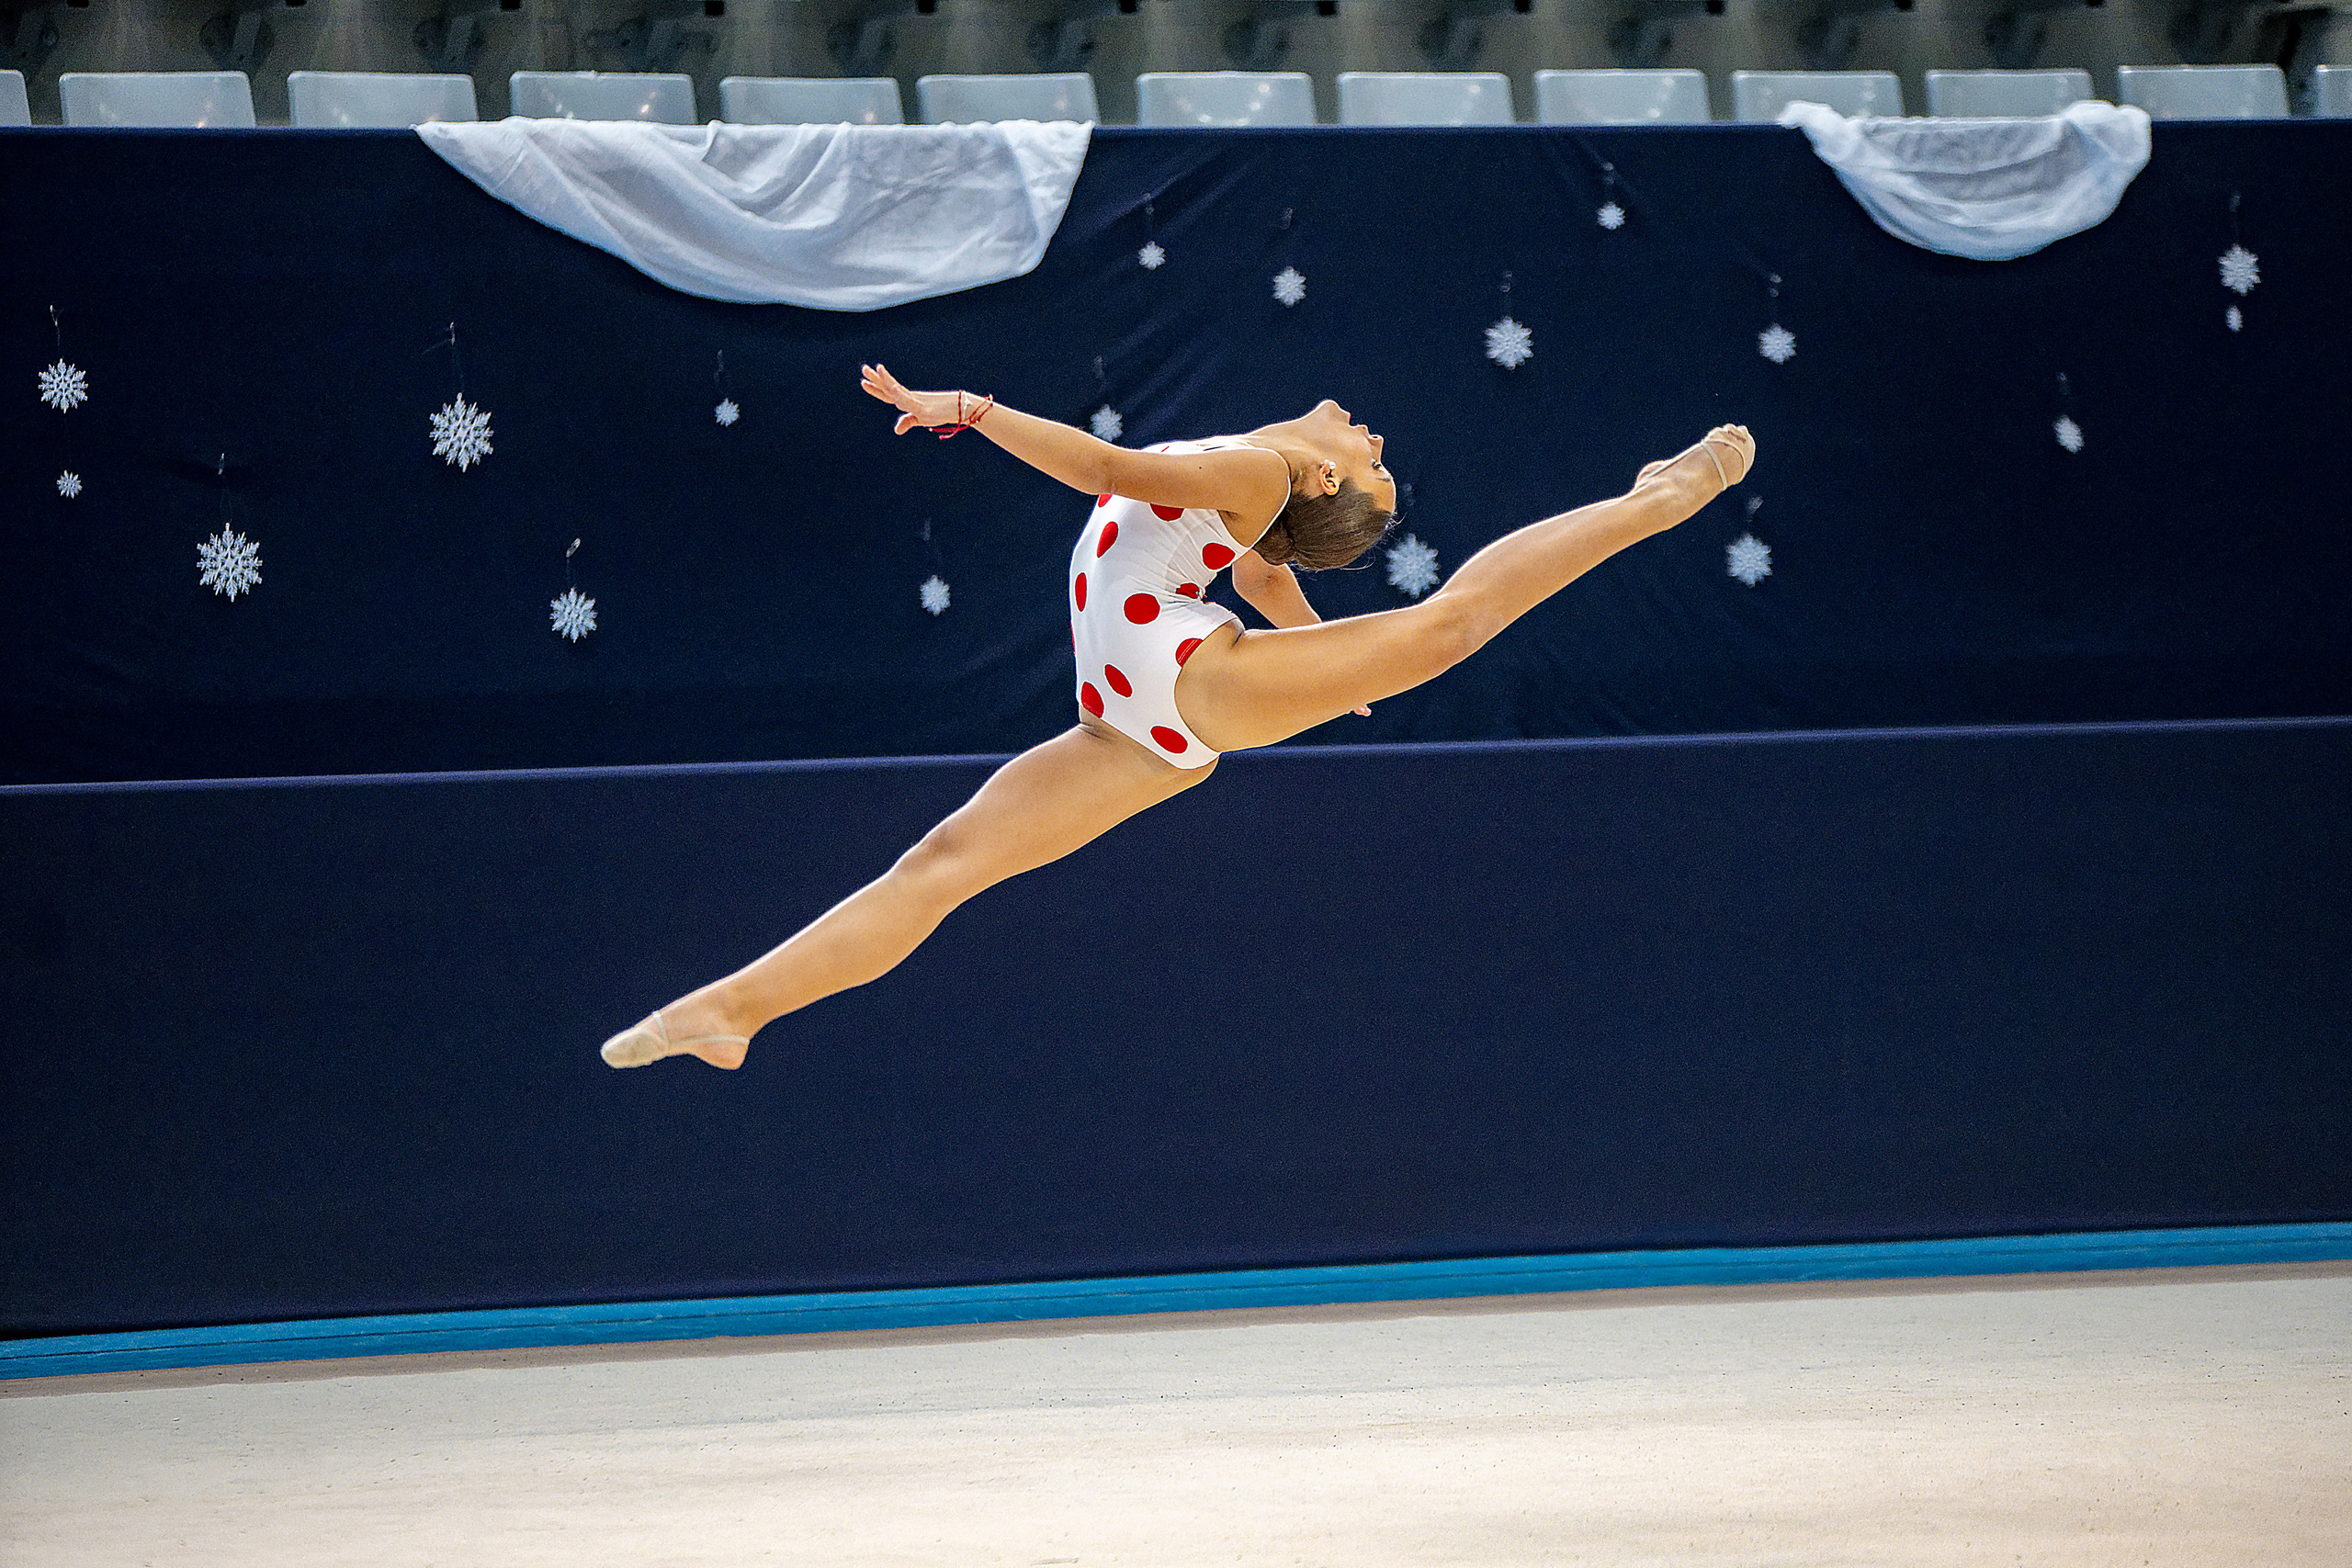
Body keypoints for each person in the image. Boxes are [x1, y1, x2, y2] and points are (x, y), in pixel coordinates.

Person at [602, 365, 1753, 1069]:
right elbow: (1261, 583)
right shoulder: (1257, 489)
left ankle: (1657, 499)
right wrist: (1328, 665)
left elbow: (1104, 463)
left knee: (1447, 628)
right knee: (939, 868)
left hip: (1165, 672)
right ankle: (730, 1009)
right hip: (1128, 719)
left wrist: (973, 412)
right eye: (1381, 465)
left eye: (1372, 471)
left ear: (1316, 484)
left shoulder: (1258, 474)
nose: (1378, 446)